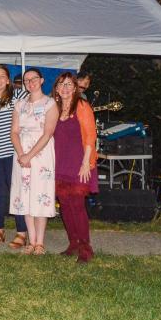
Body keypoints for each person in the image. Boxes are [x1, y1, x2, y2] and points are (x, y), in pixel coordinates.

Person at [9, 68, 58, 255]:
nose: (30, 82)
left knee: (40, 194)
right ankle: (31, 240)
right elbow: (13, 131)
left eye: (34, 79)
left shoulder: (49, 103)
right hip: (21, 153)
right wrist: (22, 154)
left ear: (42, 80)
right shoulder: (19, 104)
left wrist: (30, 155)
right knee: (25, 196)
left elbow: (48, 133)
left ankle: (40, 242)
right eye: (26, 80)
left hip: (41, 153)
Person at [52, 72, 98, 263]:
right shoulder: (53, 108)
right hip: (60, 163)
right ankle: (73, 243)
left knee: (78, 206)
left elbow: (90, 135)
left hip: (80, 164)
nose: (65, 88)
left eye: (69, 84)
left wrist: (86, 163)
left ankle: (86, 248)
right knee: (64, 205)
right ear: (56, 88)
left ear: (76, 88)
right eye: (62, 84)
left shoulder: (82, 105)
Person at [0, 65, 29, 249]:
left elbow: (36, 102)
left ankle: (21, 232)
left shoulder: (17, 97)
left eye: (3, 76)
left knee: (17, 193)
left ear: (8, 80)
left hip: (13, 154)